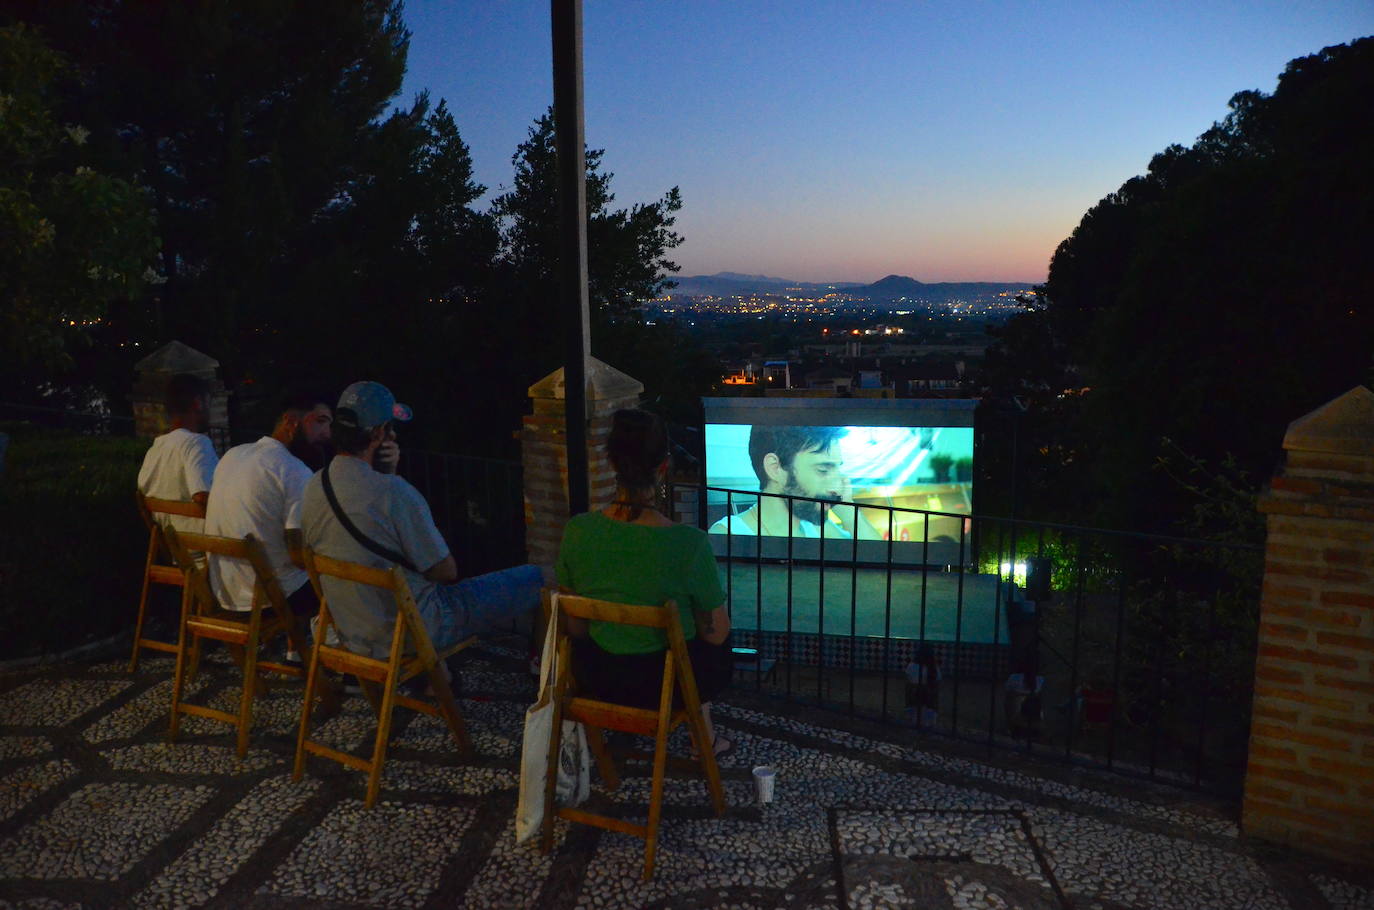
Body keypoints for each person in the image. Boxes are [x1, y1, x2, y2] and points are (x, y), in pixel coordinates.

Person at [300, 381, 548, 669]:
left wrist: (386, 474)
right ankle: (541, 673)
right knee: (537, 577)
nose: (393, 434)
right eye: (390, 428)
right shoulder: (395, 492)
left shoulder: (314, 485)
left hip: (351, 629)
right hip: (412, 631)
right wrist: (390, 479)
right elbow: (445, 571)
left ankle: (435, 683)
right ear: (379, 434)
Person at [556, 409, 733, 753]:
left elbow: (576, 629)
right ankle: (705, 738)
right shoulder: (689, 543)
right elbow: (717, 632)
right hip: (665, 686)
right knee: (710, 644)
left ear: (610, 461)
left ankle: (702, 733)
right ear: (664, 466)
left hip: (598, 678)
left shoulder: (578, 531)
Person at [205, 390, 333, 618]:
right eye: (320, 422)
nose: (327, 434)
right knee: (350, 582)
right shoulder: (293, 470)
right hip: (270, 598)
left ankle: (296, 651)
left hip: (225, 593)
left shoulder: (233, 454)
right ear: (290, 422)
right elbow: (299, 558)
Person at [708, 425, 882, 539]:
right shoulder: (728, 534)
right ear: (775, 468)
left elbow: (882, 567)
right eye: (823, 470)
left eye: (837, 469)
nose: (837, 486)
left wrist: (848, 512)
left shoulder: (818, 528)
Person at [137, 373, 218, 537]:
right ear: (198, 403)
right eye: (209, 403)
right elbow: (202, 496)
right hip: (208, 549)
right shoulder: (197, 443)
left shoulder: (155, 450)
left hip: (176, 549)